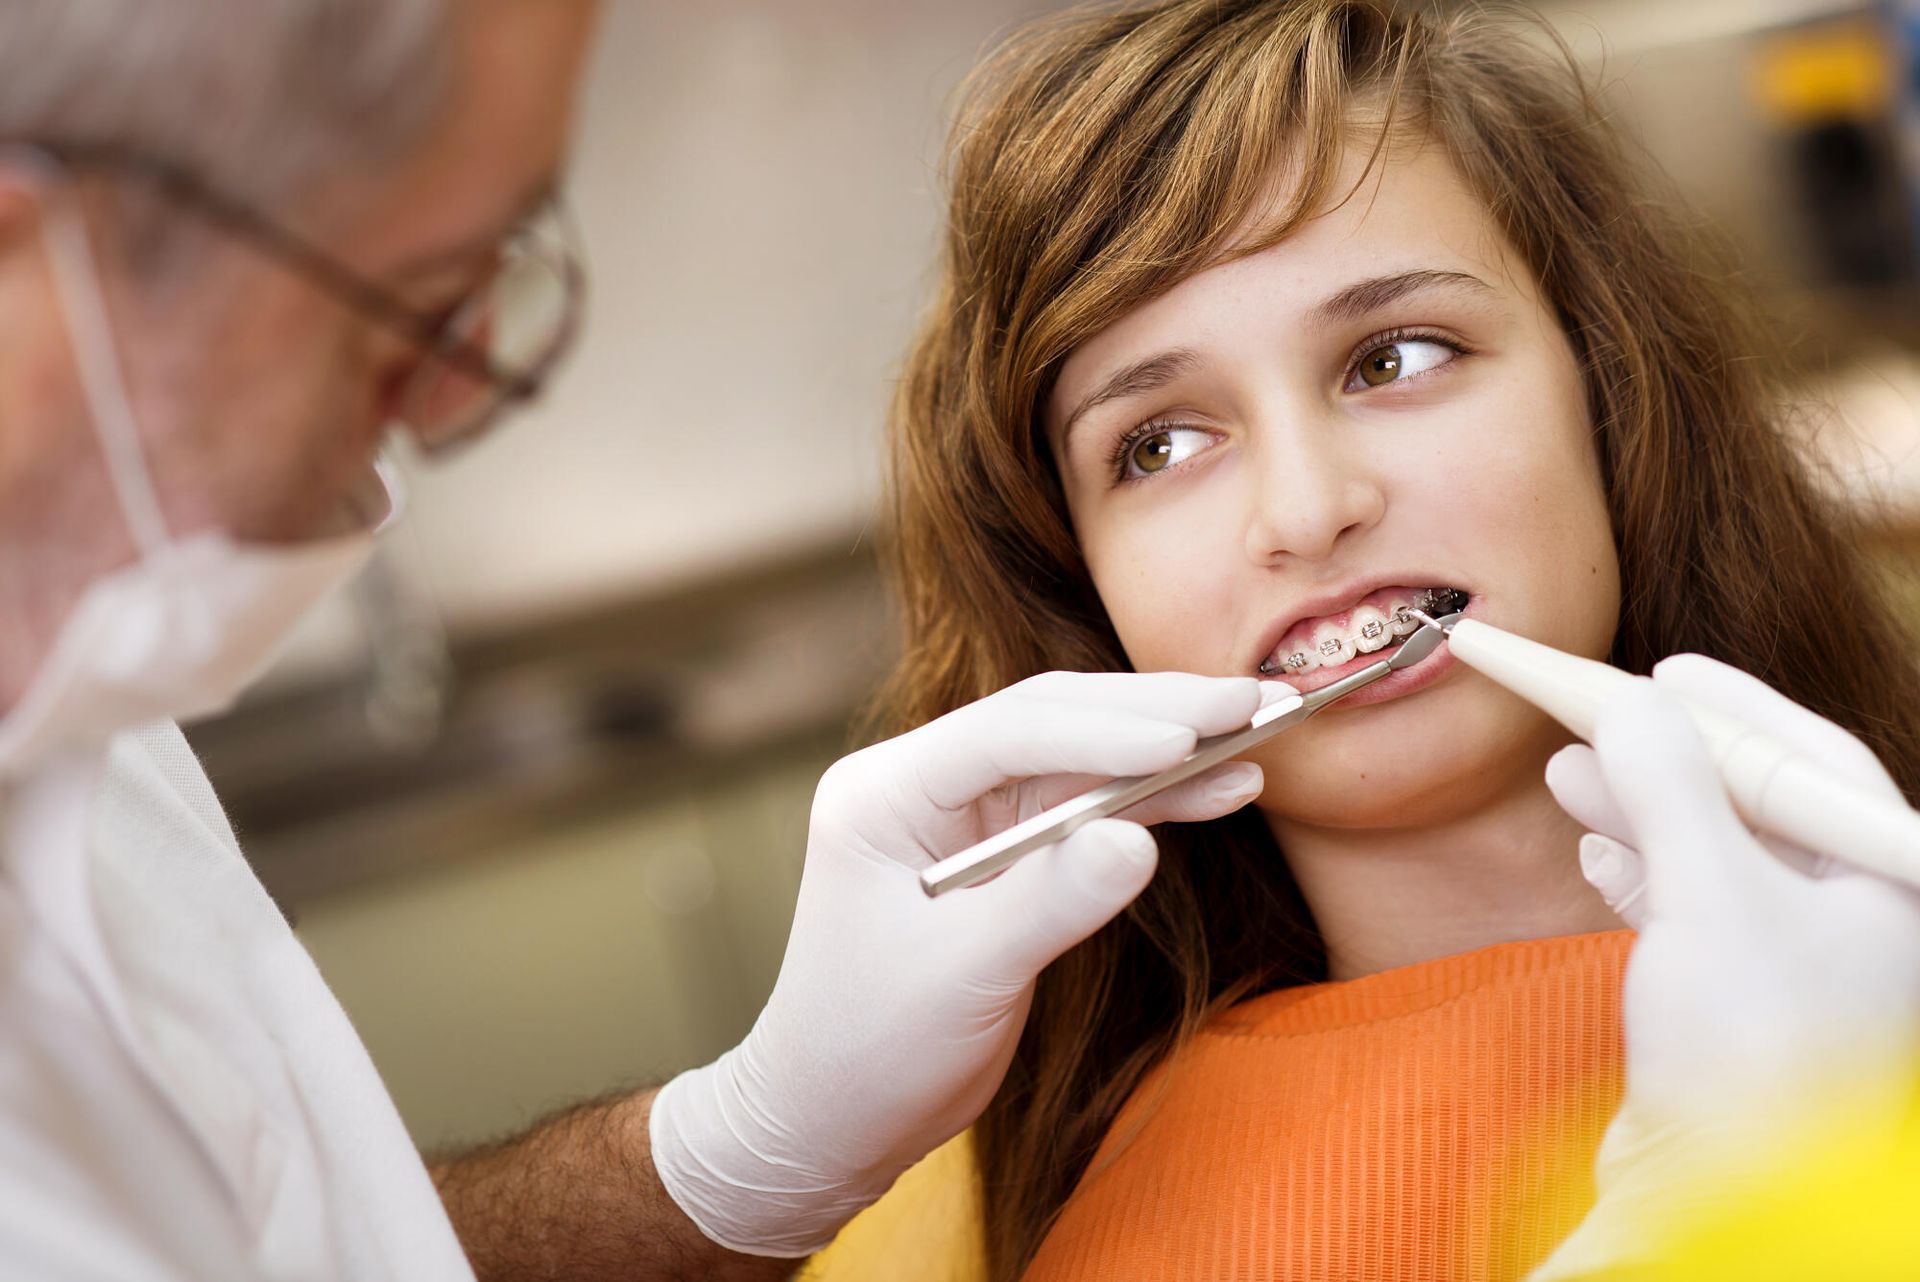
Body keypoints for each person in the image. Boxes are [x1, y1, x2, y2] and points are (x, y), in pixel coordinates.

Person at [0, 2, 1282, 1277]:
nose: (441, 422)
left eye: (1395, 360)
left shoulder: (92, 734)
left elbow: (312, 1245)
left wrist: (735, 1159)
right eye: (397, 311)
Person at [800, 0, 1920, 1277]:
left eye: (1394, 357)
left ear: (1608, 388)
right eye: (1158, 444)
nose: (1308, 509)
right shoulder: (1089, 1230)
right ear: (1080, 583)